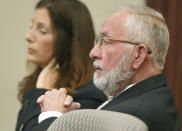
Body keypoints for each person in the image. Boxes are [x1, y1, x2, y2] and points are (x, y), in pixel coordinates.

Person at [37, 5, 181, 131]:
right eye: (97, 41)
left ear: (138, 55)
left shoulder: (132, 115)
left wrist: (51, 116)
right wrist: (68, 121)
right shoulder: (153, 97)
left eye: (106, 42)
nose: (92, 53)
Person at [15, 0, 107, 130]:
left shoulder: (88, 98)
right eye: (32, 27)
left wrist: (40, 93)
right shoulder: (38, 81)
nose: (28, 36)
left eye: (42, 30)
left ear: (69, 42)